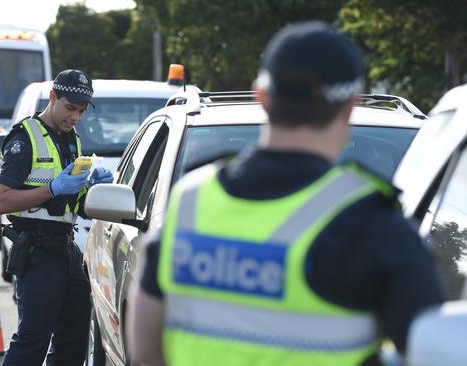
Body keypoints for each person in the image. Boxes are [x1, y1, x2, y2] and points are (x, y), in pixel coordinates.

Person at [128, 21, 444, 366]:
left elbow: (144, 350)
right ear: (349, 105)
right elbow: (434, 353)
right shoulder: (376, 225)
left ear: (262, 96)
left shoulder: (189, 202)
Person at [0, 69, 114, 365]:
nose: (74, 117)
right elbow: (3, 201)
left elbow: (73, 202)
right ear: (53, 97)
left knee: (75, 337)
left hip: (66, 249)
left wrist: (92, 190)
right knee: (33, 339)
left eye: (82, 111)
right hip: (36, 250)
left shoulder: (71, 139)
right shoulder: (25, 138)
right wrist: (53, 188)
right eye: (70, 108)